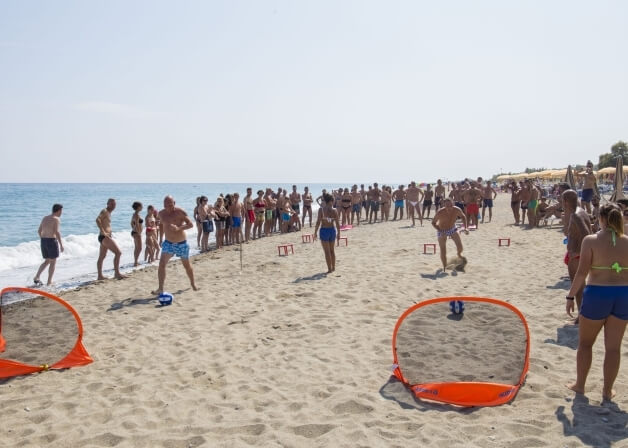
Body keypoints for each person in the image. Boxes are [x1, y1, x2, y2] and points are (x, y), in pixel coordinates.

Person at [566, 203, 628, 401]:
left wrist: (570, 296)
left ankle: (580, 385)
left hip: (597, 294)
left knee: (585, 344)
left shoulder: (590, 241)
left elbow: (582, 272)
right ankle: (607, 391)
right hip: (622, 295)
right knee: (613, 348)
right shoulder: (627, 241)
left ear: (601, 218)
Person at [152, 195, 198, 294]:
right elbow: (161, 225)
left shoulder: (180, 212)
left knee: (187, 266)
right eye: (166, 204)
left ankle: (193, 283)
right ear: (163, 205)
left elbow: (190, 224)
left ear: (174, 203)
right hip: (168, 243)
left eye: (170, 204)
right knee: (161, 264)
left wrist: (179, 228)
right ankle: (160, 288)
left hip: (181, 243)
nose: (169, 206)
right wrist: (160, 238)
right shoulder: (161, 214)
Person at [563, 189, 592, 319]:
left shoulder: (575, 215)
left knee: (578, 287)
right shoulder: (581, 211)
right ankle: (583, 314)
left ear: (566, 201)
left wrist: (577, 252)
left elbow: (586, 234)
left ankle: (582, 316)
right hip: (578, 253)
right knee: (580, 286)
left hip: (577, 255)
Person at [432, 198, 468, 272]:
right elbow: (433, 223)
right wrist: (440, 230)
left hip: (452, 228)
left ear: (453, 204)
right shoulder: (440, 212)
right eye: (447, 205)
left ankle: (459, 254)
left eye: (450, 205)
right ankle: (445, 266)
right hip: (442, 230)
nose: (449, 207)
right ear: (444, 205)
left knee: (460, 246)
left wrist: (466, 227)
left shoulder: (457, 209)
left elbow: (463, 216)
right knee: (443, 250)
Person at [33, 203, 64, 286]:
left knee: (47, 261)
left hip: (43, 241)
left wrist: (43, 240)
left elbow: (39, 231)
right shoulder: (56, 219)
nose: (62, 213)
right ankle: (49, 282)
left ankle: (36, 277)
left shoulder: (45, 218)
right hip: (51, 241)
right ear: (59, 210)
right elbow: (57, 232)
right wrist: (61, 245)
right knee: (53, 262)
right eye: (61, 211)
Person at [96, 198, 126, 280]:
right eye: (112, 204)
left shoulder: (108, 213)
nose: (113, 206)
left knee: (102, 256)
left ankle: (100, 276)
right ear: (107, 204)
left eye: (114, 204)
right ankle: (117, 273)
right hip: (104, 237)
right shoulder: (105, 211)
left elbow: (104, 223)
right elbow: (97, 219)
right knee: (118, 253)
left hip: (103, 237)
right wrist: (103, 231)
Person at [313, 193, 341, 273]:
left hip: (324, 230)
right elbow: (337, 223)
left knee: (327, 252)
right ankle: (333, 267)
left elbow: (318, 222)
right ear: (331, 201)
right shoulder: (334, 210)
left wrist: (315, 232)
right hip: (332, 230)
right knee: (332, 251)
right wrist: (339, 233)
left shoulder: (321, 210)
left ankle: (329, 269)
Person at [131, 201, 143, 267]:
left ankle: (135, 262)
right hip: (136, 233)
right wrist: (138, 232)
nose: (142, 207)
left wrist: (133, 228)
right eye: (141, 206)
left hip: (134, 232)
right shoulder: (137, 215)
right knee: (139, 248)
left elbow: (131, 223)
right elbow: (137, 224)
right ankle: (135, 262)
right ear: (138, 207)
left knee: (136, 248)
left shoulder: (135, 214)